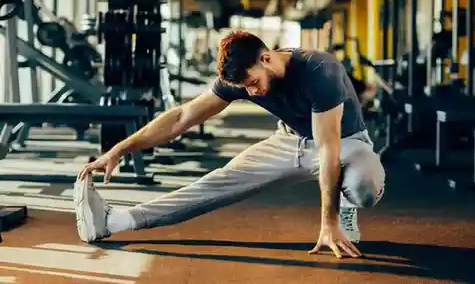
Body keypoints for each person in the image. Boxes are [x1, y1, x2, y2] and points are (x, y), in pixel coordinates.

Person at [75, 31, 385, 259]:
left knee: (364, 187)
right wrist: (119, 149)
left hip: (344, 143)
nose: (251, 93)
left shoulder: (319, 69)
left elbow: (328, 147)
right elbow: (181, 117)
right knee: (218, 181)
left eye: (253, 83)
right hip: (289, 141)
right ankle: (115, 220)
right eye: (245, 89)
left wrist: (327, 224)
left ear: (266, 58)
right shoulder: (240, 78)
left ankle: (345, 208)